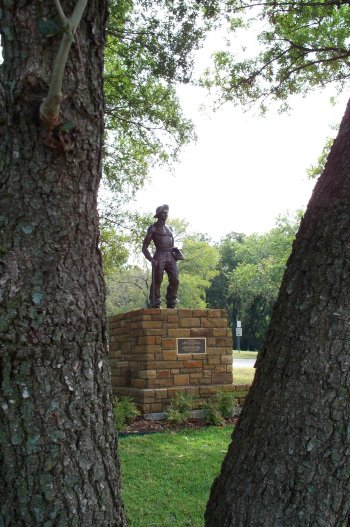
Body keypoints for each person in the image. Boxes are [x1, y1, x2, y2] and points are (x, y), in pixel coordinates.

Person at [142, 204, 183, 308]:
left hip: (170, 255)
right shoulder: (153, 228)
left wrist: (176, 252)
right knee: (158, 279)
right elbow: (144, 247)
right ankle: (154, 301)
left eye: (167, 213)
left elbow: (171, 244)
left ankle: (171, 300)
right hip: (159, 255)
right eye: (164, 213)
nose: (166, 215)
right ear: (159, 214)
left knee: (175, 279)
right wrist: (151, 259)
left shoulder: (170, 228)